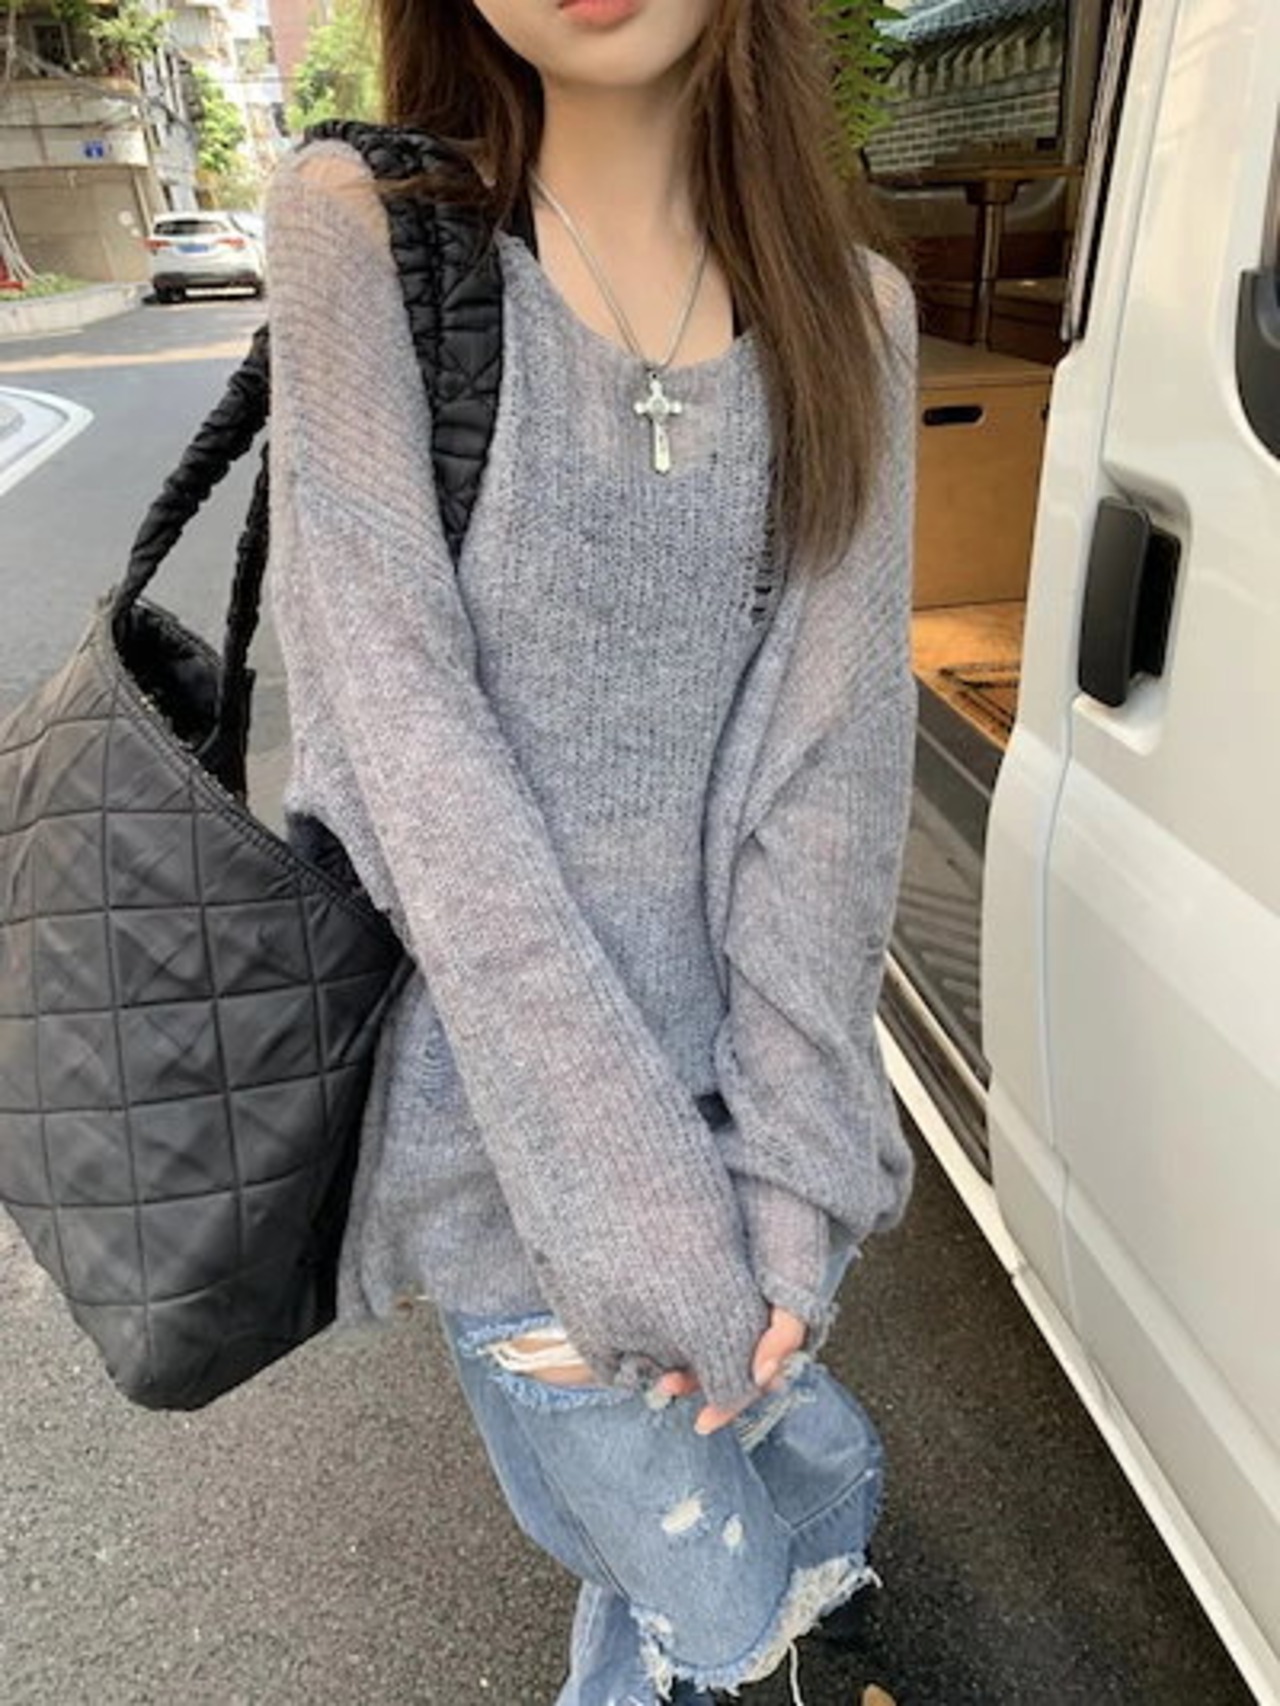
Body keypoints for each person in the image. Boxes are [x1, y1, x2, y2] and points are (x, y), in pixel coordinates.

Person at [262, 2, 918, 1701]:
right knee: (711, 1608)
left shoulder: (856, 317)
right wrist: (644, 1223)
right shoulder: (363, 235)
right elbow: (405, 760)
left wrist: (790, 1195)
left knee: (805, 1504)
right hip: (511, 1173)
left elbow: (830, 796)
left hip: (750, 1148)